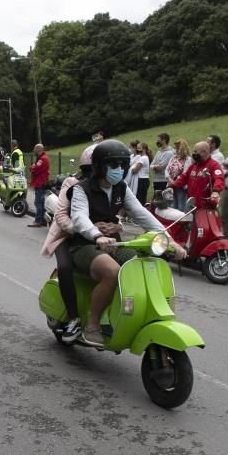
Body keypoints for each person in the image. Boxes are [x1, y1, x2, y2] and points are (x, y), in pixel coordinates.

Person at [69, 140, 186, 348]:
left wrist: (171, 240)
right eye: (113, 165)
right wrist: (97, 236)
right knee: (112, 272)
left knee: (142, 264)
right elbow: (79, 218)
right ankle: (93, 325)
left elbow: (141, 214)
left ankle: (128, 315)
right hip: (84, 245)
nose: (120, 170)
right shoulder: (82, 189)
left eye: (123, 165)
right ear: (99, 166)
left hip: (113, 244)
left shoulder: (121, 188)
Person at [39, 151, 94, 342]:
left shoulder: (109, 186)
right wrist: (84, 231)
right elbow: (61, 217)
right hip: (67, 235)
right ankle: (74, 317)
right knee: (65, 267)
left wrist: (116, 225)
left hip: (94, 236)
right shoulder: (71, 184)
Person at [168, 140, 225, 210]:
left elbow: (219, 179)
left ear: (204, 152)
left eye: (195, 152)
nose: (193, 154)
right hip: (191, 205)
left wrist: (216, 191)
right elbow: (183, 178)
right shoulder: (194, 166)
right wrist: (172, 186)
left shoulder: (214, 165)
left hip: (205, 207)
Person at [28, 143, 51, 227]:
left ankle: (38, 221)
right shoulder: (41, 158)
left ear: (39, 149)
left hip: (40, 183)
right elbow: (34, 167)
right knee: (41, 202)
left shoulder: (42, 159)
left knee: (38, 202)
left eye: (35, 149)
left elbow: (34, 169)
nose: (34, 151)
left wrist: (32, 167)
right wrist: (33, 167)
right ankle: (43, 220)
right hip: (41, 182)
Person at [166, 139, 191, 210]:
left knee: (181, 207)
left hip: (181, 186)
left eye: (175, 148)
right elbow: (166, 169)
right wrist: (169, 178)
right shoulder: (173, 158)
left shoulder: (188, 159)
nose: (174, 150)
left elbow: (185, 173)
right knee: (172, 206)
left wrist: (175, 182)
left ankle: (182, 221)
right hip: (171, 185)